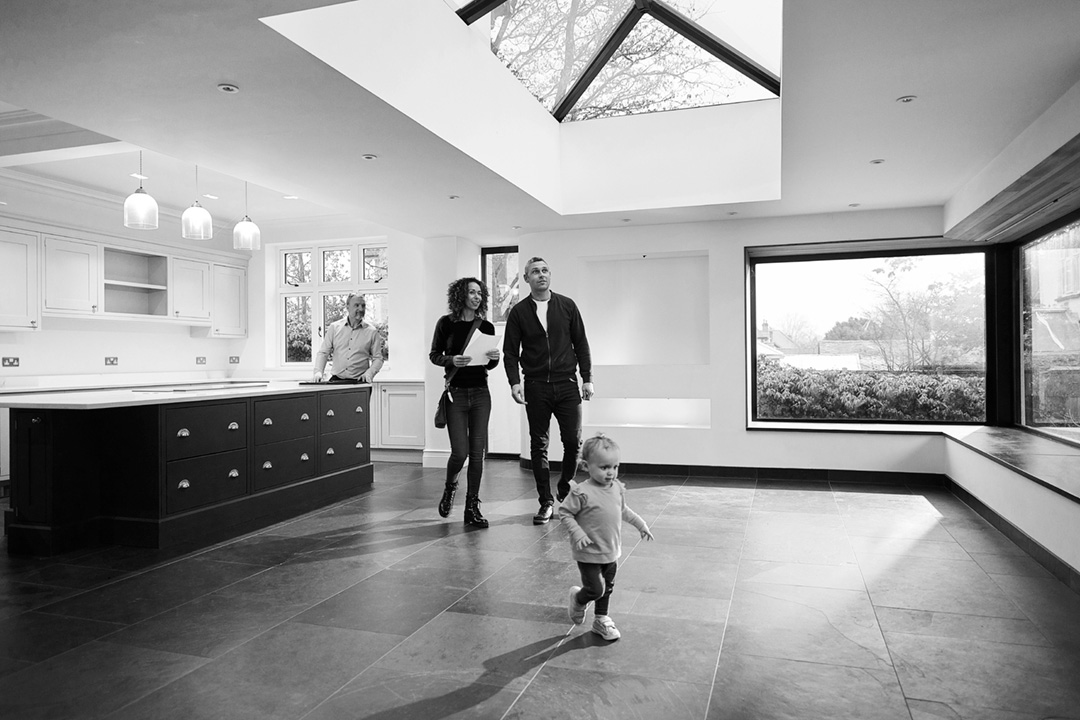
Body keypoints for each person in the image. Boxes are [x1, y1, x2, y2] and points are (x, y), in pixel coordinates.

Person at [503, 256, 594, 525]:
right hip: (535, 386)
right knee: (538, 445)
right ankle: (545, 502)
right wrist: (514, 382)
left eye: (544, 271)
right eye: (534, 272)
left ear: (550, 275)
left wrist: (586, 378)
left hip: (567, 384)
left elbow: (581, 343)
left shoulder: (567, 306)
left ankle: (564, 489)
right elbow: (510, 352)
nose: (541, 275)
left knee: (573, 443)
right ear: (526, 278)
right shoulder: (519, 313)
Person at [560, 434, 653, 641]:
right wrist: (577, 532)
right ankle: (578, 597)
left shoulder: (616, 488)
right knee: (596, 589)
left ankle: (601, 619)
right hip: (588, 552)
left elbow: (624, 511)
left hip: (611, 550)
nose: (611, 473)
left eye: (615, 467)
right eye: (604, 468)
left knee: (607, 588)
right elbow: (565, 513)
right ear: (586, 466)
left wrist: (641, 524)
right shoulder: (581, 493)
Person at [429, 277, 501, 528]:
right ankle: (450, 489)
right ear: (461, 295)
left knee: (477, 454)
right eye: (472, 292)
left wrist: (495, 357)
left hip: (481, 393)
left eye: (480, 293)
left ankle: (472, 507)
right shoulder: (446, 323)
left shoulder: (487, 326)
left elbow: (490, 363)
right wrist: (451, 360)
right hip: (456, 394)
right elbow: (434, 355)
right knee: (459, 453)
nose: (477, 297)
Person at [313, 293, 385, 383]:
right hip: (336, 381)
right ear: (347, 307)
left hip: (360, 381)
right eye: (357, 305)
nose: (361, 309)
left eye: (363, 306)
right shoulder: (334, 328)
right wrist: (318, 372)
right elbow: (323, 353)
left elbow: (378, 359)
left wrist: (369, 373)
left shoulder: (372, 332)